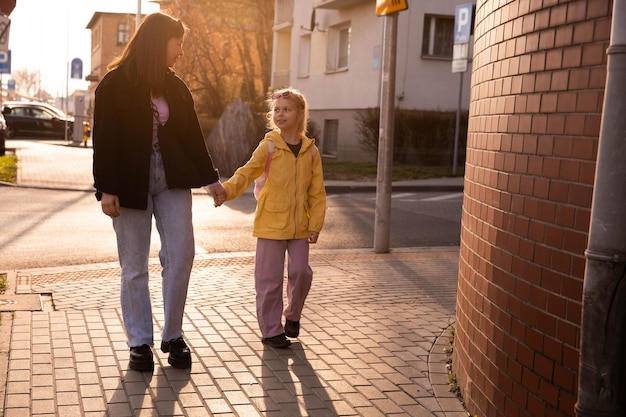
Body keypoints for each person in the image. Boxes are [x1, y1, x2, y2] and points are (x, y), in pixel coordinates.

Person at [92, 12, 226, 372]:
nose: (180, 51)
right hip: (129, 181)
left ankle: (173, 334)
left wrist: (212, 180)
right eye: (177, 43)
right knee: (134, 266)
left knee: (182, 255)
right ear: (158, 42)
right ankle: (139, 342)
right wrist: (106, 188)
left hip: (172, 178)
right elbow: (104, 142)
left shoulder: (176, 87)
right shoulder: (114, 85)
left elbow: (192, 139)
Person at [218, 87, 326, 348]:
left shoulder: (311, 152)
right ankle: (271, 331)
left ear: (300, 114)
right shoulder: (269, 147)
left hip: (300, 225)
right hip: (269, 224)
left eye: (286, 109)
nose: (280, 114)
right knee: (268, 281)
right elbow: (246, 172)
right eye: (276, 110)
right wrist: (226, 191)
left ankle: (293, 314)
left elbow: (317, 192)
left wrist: (315, 225)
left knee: (301, 273)